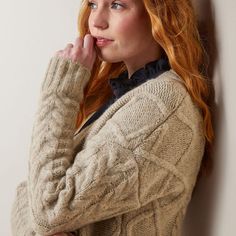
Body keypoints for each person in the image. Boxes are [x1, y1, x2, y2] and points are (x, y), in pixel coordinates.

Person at [11, 0, 214, 235]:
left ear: (159, 14)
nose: (96, 21)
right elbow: (28, 193)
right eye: (93, 4)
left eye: (117, 5)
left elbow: (47, 210)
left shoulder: (160, 105)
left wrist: (59, 92)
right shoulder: (125, 98)